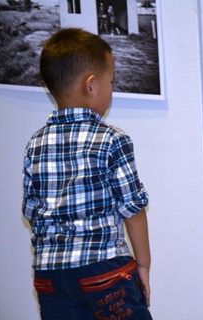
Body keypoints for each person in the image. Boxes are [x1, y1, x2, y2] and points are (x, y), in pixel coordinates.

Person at [22, 28, 152, 319]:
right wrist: (143, 263)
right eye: (111, 82)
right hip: (105, 273)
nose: (112, 89)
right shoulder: (112, 139)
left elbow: (32, 210)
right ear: (91, 85)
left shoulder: (36, 142)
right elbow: (133, 209)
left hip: (49, 277)